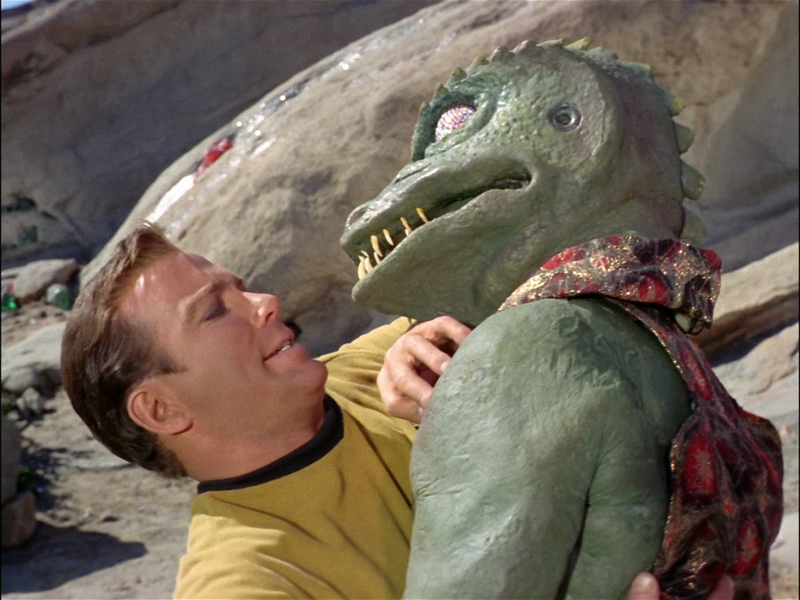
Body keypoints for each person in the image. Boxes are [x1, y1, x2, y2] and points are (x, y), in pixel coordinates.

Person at [61, 223, 732, 599]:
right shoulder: (245, 582)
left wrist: (448, 339)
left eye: (239, 287)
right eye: (215, 311)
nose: (264, 302)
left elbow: (582, 261)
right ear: (160, 408)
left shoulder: (379, 362)